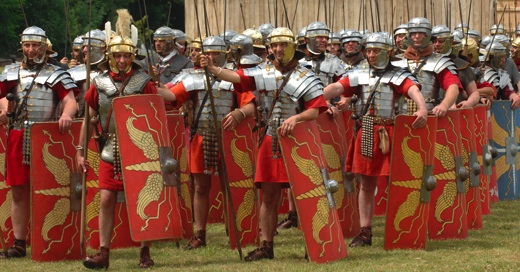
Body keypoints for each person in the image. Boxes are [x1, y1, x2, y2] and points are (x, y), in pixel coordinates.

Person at [200, 27, 328, 261]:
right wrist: (212, 69)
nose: (278, 50)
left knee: (305, 195)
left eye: (283, 45)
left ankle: (314, 243)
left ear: (293, 47)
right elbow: (238, 78)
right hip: (270, 139)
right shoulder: (263, 72)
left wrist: (296, 118)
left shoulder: (306, 76)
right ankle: (267, 245)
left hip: (299, 142)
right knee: (268, 196)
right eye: (274, 46)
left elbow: (317, 110)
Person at [323, 32, 427, 247]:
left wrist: (423, 108)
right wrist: (315, 97)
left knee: (396, 182)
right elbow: (337, 88)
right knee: (366, 184)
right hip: (367, 130)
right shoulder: (359, 73)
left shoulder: (398, 74)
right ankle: (365, 232)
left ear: (388, 52)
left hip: (390, 132)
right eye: (368, 50)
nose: (370, 55)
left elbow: (413, 89)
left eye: (375, 51)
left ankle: (401, 228)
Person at [76, 9, 157, 269]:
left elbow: (155, 118)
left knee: (139, 198)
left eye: (126, 55)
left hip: (139, 149)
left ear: (133, 56)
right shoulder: (98, 83)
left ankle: (145, 251)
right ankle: (103, 253)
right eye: (117, 55)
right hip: (109, 148)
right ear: (110, 56)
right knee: (107, 199)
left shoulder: (144, 82)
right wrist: (80, 150)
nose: (122, 60)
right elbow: (88, 118)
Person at [158, 35, 255, 250]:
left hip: (229, 139)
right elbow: (172, 96)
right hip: (201, 137)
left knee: (233, 186)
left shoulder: (235, 76)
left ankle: (238, 228)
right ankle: (200, 233)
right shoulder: (194, 78)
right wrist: (151, 85)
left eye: (215, 53)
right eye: (207, 53)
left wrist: (239, 113)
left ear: (224, 54)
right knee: (200, 187)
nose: (210, 57)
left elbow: (251, 104)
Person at [0, 26, 78, 258]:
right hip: (17, 135)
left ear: (44, 47)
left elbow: (71, 100)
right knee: (19, 191)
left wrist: (66, 115)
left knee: (50, 189)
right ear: (22, 47)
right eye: (27, 45)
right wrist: (3, 110)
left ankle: (52, 240)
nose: (31, 49)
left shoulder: (56, 73)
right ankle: (19, 244)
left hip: (47, 138)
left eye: (35, 45)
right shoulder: (11, 71)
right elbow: (2, 96)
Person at [393, 17, 462, 117]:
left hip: (430, 117)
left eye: (421, 33)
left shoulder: (439, 61)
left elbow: (453, 87)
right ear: (408, 35)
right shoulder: (396, 62)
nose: (417, 36)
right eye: (413, 33)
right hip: (398, 118)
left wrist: (444, 105)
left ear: (428, 35)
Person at [430, 25, 481, 108]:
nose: (437, 44)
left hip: (454, 114)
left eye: (441, 41)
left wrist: (469, 103)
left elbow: (474, 93)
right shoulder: (427, 63)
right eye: (434, 41)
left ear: (451, 40)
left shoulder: (462, 65)